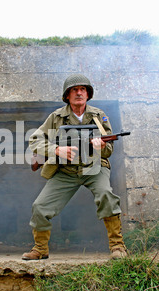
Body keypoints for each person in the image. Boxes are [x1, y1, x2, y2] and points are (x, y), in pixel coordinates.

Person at [22, 74, 128, 260]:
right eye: (74, 90)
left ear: (88, 94)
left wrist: (101, 147)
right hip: (66, 171)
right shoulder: (56, 117)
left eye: (83, 89)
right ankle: (40, 249)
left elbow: (109, 150)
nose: (79, 93)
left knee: (106, 195)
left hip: (94, 167)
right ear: (67, 96)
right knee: (40, 206)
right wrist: (57, 150)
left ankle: (118, 247)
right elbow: (35, 139)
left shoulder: (99, 116)